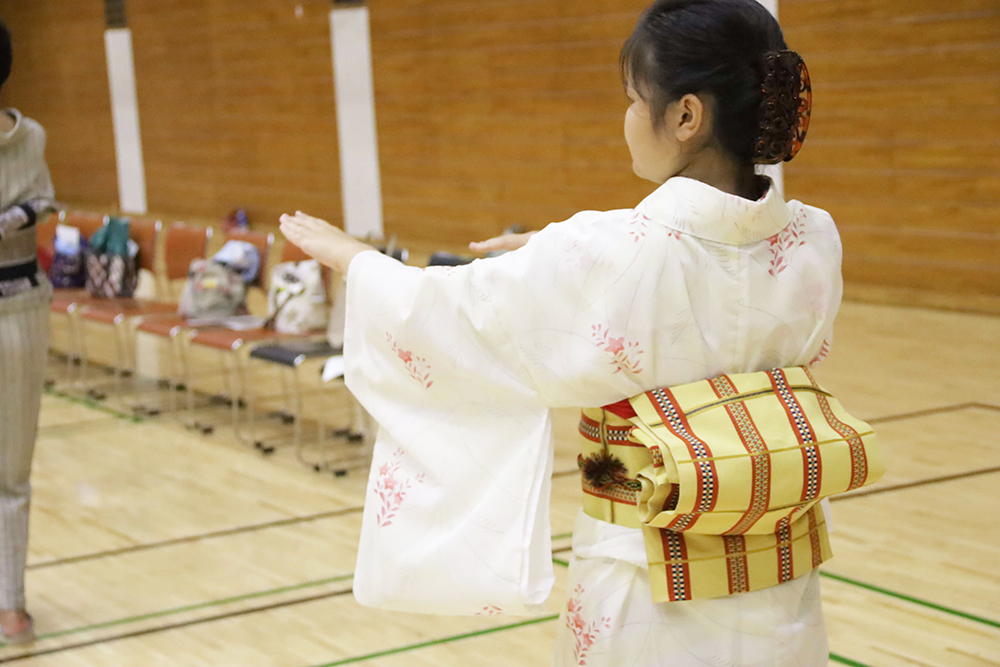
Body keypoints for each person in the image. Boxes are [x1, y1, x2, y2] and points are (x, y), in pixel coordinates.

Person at [280, 1, 862, 664]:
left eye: (631, 98)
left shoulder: (606, 251)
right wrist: (559, 250)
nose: (625, 117)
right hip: (779, 569)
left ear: (686, 115)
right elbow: (711, 258)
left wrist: (355, 258)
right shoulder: (815, 237)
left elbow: (454, 311)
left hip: (650, 580)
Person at [0, 18, 56, 645]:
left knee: (9, 473)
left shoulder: (32, 134)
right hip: (23, 312)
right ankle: (10, 609)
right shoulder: (31, 135)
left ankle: (10, 606)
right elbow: (43, 202)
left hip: (16, 311)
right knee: (10, 475)